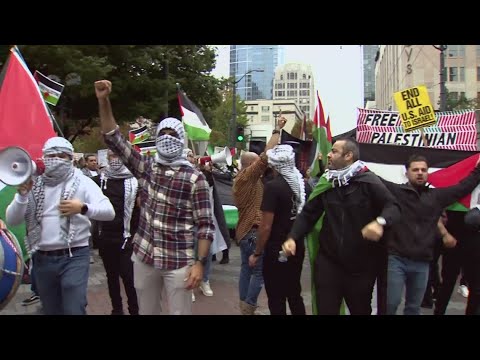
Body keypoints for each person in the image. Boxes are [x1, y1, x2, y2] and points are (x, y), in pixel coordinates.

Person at [95, 79, 214, 315]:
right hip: (145, 256)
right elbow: (113, 137)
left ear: (181, 141)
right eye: (163, 134)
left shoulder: (195, 179)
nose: (167, 138)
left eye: (173, 135)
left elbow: (205, 226)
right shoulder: (145, 167)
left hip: (179, 260)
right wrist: (104, 101)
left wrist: (199, 263)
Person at [282, 138, 401, 315]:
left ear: (348, 156)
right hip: (329, 262)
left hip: (360, 267)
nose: (328, 155)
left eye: (334, 151)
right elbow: (308, 214)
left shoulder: (368, 181)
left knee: (360, 310)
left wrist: (379, 222)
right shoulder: (327, 182)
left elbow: (393, 207)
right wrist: (293, 237)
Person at [5, 136, 115, 315]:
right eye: (51, 155)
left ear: (71, 158)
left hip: (74, 255)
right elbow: (12, 220)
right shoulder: (33, 184)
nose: (56, 159)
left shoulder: (83, 182)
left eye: (62, 155)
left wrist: (82, 208)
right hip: (42, 258)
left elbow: (108, 211)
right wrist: (22, 196)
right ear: (44, 158)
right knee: (51, 309)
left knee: (74, 308)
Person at [380, 154, 480, 315]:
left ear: (428, 172)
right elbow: (375, 180)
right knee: (391, 304)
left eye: (423, 170)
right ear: (407, 172)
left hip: (422, 262)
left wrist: (478, 170)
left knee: (413, 307)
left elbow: (463, 187)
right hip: (397, 260)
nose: (420, 172)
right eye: (415, 170)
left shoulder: (437, 197)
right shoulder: (397, 193)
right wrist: (357, 166)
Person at [233, 118, 286, 315]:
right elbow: (266, 156)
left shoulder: (242, 180)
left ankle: (243, 306)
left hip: (244, 232)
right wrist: (277, 130)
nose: (262, 164)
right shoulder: (247, 177)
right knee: (258, 272)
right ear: (251, 164)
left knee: (246, 270)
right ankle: (249, 307)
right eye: (257, 163)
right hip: (254, 231)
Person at [249, 144, 306, 315]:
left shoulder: (273, 187)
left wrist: (257, 252)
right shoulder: (301, 184)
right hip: (296, 245)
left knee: (276, 296)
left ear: (274, 165)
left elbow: (266, 226)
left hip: (276, 249)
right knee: (294, 293)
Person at [92, 150, 140, 315]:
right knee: (111, 277)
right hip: (106, 237)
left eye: (119, 155)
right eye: (112, 156)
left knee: (129, 277)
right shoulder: (99, 180)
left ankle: (134, 310)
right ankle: (116, 309)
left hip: (127, 238)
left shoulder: (135, 182)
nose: (116, 160)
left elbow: (140, 210)